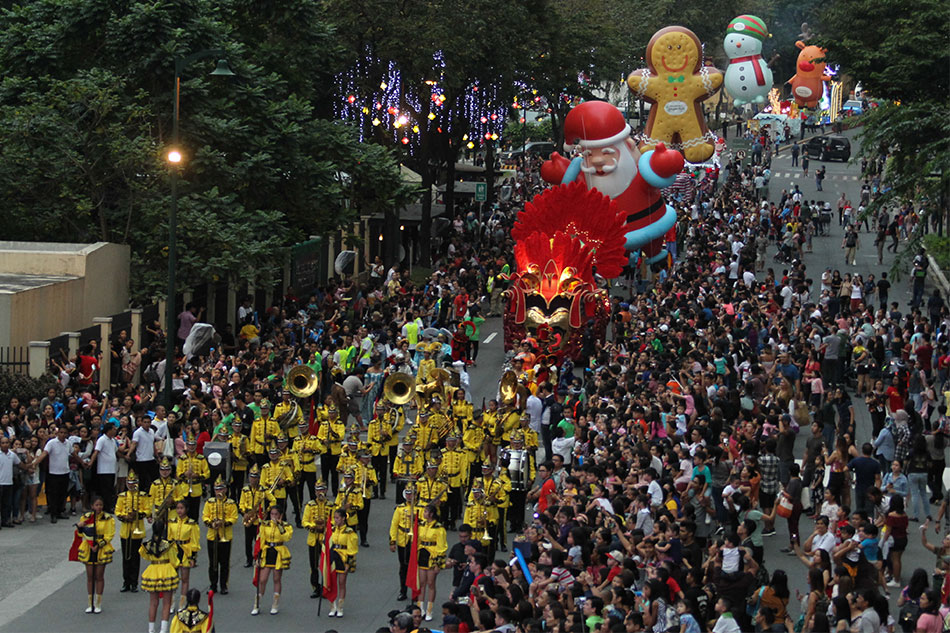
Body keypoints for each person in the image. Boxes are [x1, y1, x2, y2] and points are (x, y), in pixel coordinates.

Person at [74, 495, 115, 614]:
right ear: (92, 506)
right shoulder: (86, 517)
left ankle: (98, 602)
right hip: (89, 547)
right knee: (90, 576)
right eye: (96, 505)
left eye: (100, 505)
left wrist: (99, 544)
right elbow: (81, 534)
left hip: (101, 548)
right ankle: (90, 603)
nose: (99, 507)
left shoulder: (108, 518)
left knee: (99, 576)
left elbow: (109, 534)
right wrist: (80, 528)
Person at [252, 504, 293, 616]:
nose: (273, 516)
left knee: (276, 578)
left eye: (276, 514)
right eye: (272, 514)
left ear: (280, 515)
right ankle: (257, 604)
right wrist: (258, 556)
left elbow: (286, 537)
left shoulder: (286, 526)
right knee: (262, 579)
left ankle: (275, 604)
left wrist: (279, 526)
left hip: (278, 552)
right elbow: (261, 540)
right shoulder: (265, 525)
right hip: (267, 552)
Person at [140, 520, 180, 633]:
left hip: (153, 570)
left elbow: (144, 555)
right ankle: (163, 629)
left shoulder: (148, 544)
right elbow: (174, 561)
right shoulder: (168, 545)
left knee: (153, 602)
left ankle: (151, 629)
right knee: (167, 603)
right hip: (166, 570)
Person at [115, 469, 151, 593]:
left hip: (137, 530)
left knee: (135, 557)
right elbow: (117, 511)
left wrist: (137, 515)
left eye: (134, 482)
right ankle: (126, 582)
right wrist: (125, 516)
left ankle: (134, 582)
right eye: (129, 483)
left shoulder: (142, 496)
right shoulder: (122, 496)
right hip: (126, 530)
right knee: (126, 557)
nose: (131, 485)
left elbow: (147, 510)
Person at [202, 475, 238, 594]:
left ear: (225, 490)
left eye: (221, 489)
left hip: (225, 536)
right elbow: (205, 516)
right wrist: (212, 524)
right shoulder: (210, 502)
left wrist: (224, 523)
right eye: (217, 489)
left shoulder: (230, 503)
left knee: (224, 562)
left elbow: (234, 517)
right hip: (212, 535)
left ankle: (223, 585)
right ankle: (213, 585)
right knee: (212, 562)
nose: (219, 492)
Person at [416, 504, 448, 621]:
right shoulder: (421, 525)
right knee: (422, 583)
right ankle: (421, 608)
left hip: (432, 556)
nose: (423, 514)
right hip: (422, 554)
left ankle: (429, 609)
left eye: (426, 512)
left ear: (431, 514)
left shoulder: (439, 528)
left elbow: (441, 546)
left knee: (431, 583)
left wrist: (438, 563)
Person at [166, 500, 200, 609]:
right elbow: (168, 539)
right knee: (173, 578)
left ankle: (182, 602)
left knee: (184, 578)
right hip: (174, 551)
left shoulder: (191, 523)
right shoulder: (171, 522)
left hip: (185, 552)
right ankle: (171, 602)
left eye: (182, 508)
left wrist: (193, 557)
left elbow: (195, 541)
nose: (179, 510)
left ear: (186, 509)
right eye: (178, 508)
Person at [327, 508, 358, 618]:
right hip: (332, 556)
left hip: (342, 557)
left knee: (341, 582)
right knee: (331, 582)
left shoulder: (349, 532)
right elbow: (326, 544)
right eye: (334, 518)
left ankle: (340, 607)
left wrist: (348, 563)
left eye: (338, 518)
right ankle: (332, 606)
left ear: (344, 518)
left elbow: (352, 548)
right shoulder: (331, 529)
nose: (336, 520)